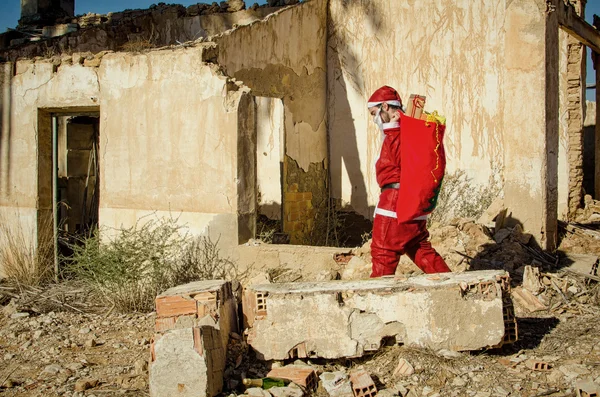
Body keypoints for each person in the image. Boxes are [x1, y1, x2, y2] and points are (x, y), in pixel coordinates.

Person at [367, 85, 451, 277]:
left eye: (374, 113)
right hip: (413, 203)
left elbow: (399, 158)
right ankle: (453, 287)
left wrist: (392, 129)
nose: (374, 119)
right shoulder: (412, 128)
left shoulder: (396, 131)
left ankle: (376, 300)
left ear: (385, 107)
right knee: (420, 249)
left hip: (394, 203)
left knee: (383, 253)